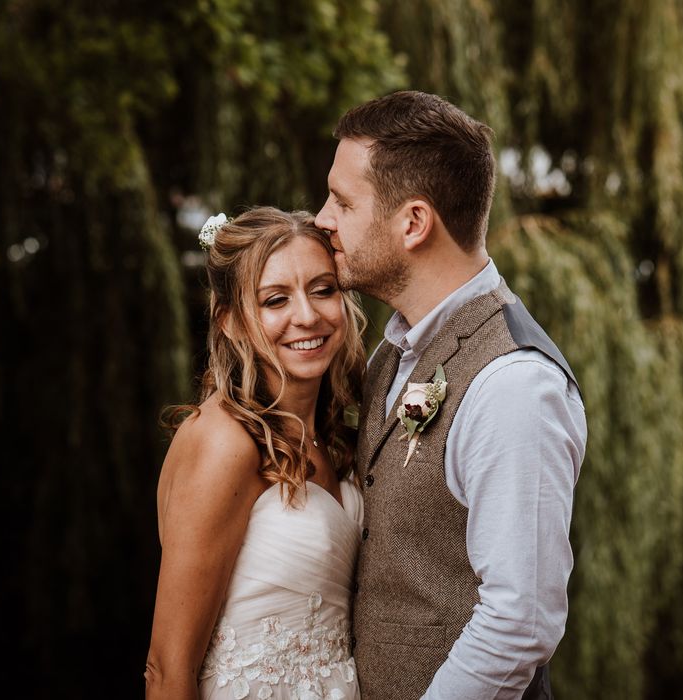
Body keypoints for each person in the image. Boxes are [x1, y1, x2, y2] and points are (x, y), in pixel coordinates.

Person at [314, 91, 587, 700]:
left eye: (342, 201)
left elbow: (520, 623)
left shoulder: (514, 385)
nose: (321, 219)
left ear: (413, 222)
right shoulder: (392, 354)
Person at [145, 207, 367, 700]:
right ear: (230, 322)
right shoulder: (223, 440)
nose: (307, 316)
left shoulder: (332, 439)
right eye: (275, 300)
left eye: (323, 289)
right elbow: (167, 668)